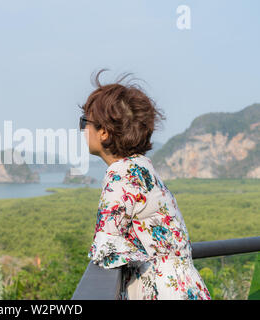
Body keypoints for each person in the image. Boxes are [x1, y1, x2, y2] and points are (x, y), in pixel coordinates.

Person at [80, 69, 211, 300]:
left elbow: (105, 246)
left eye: (85, 122)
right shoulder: (142, 166)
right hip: (187, 286)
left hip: (162, 292)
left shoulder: (120, 174)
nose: (82, 130)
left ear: (103, 132)